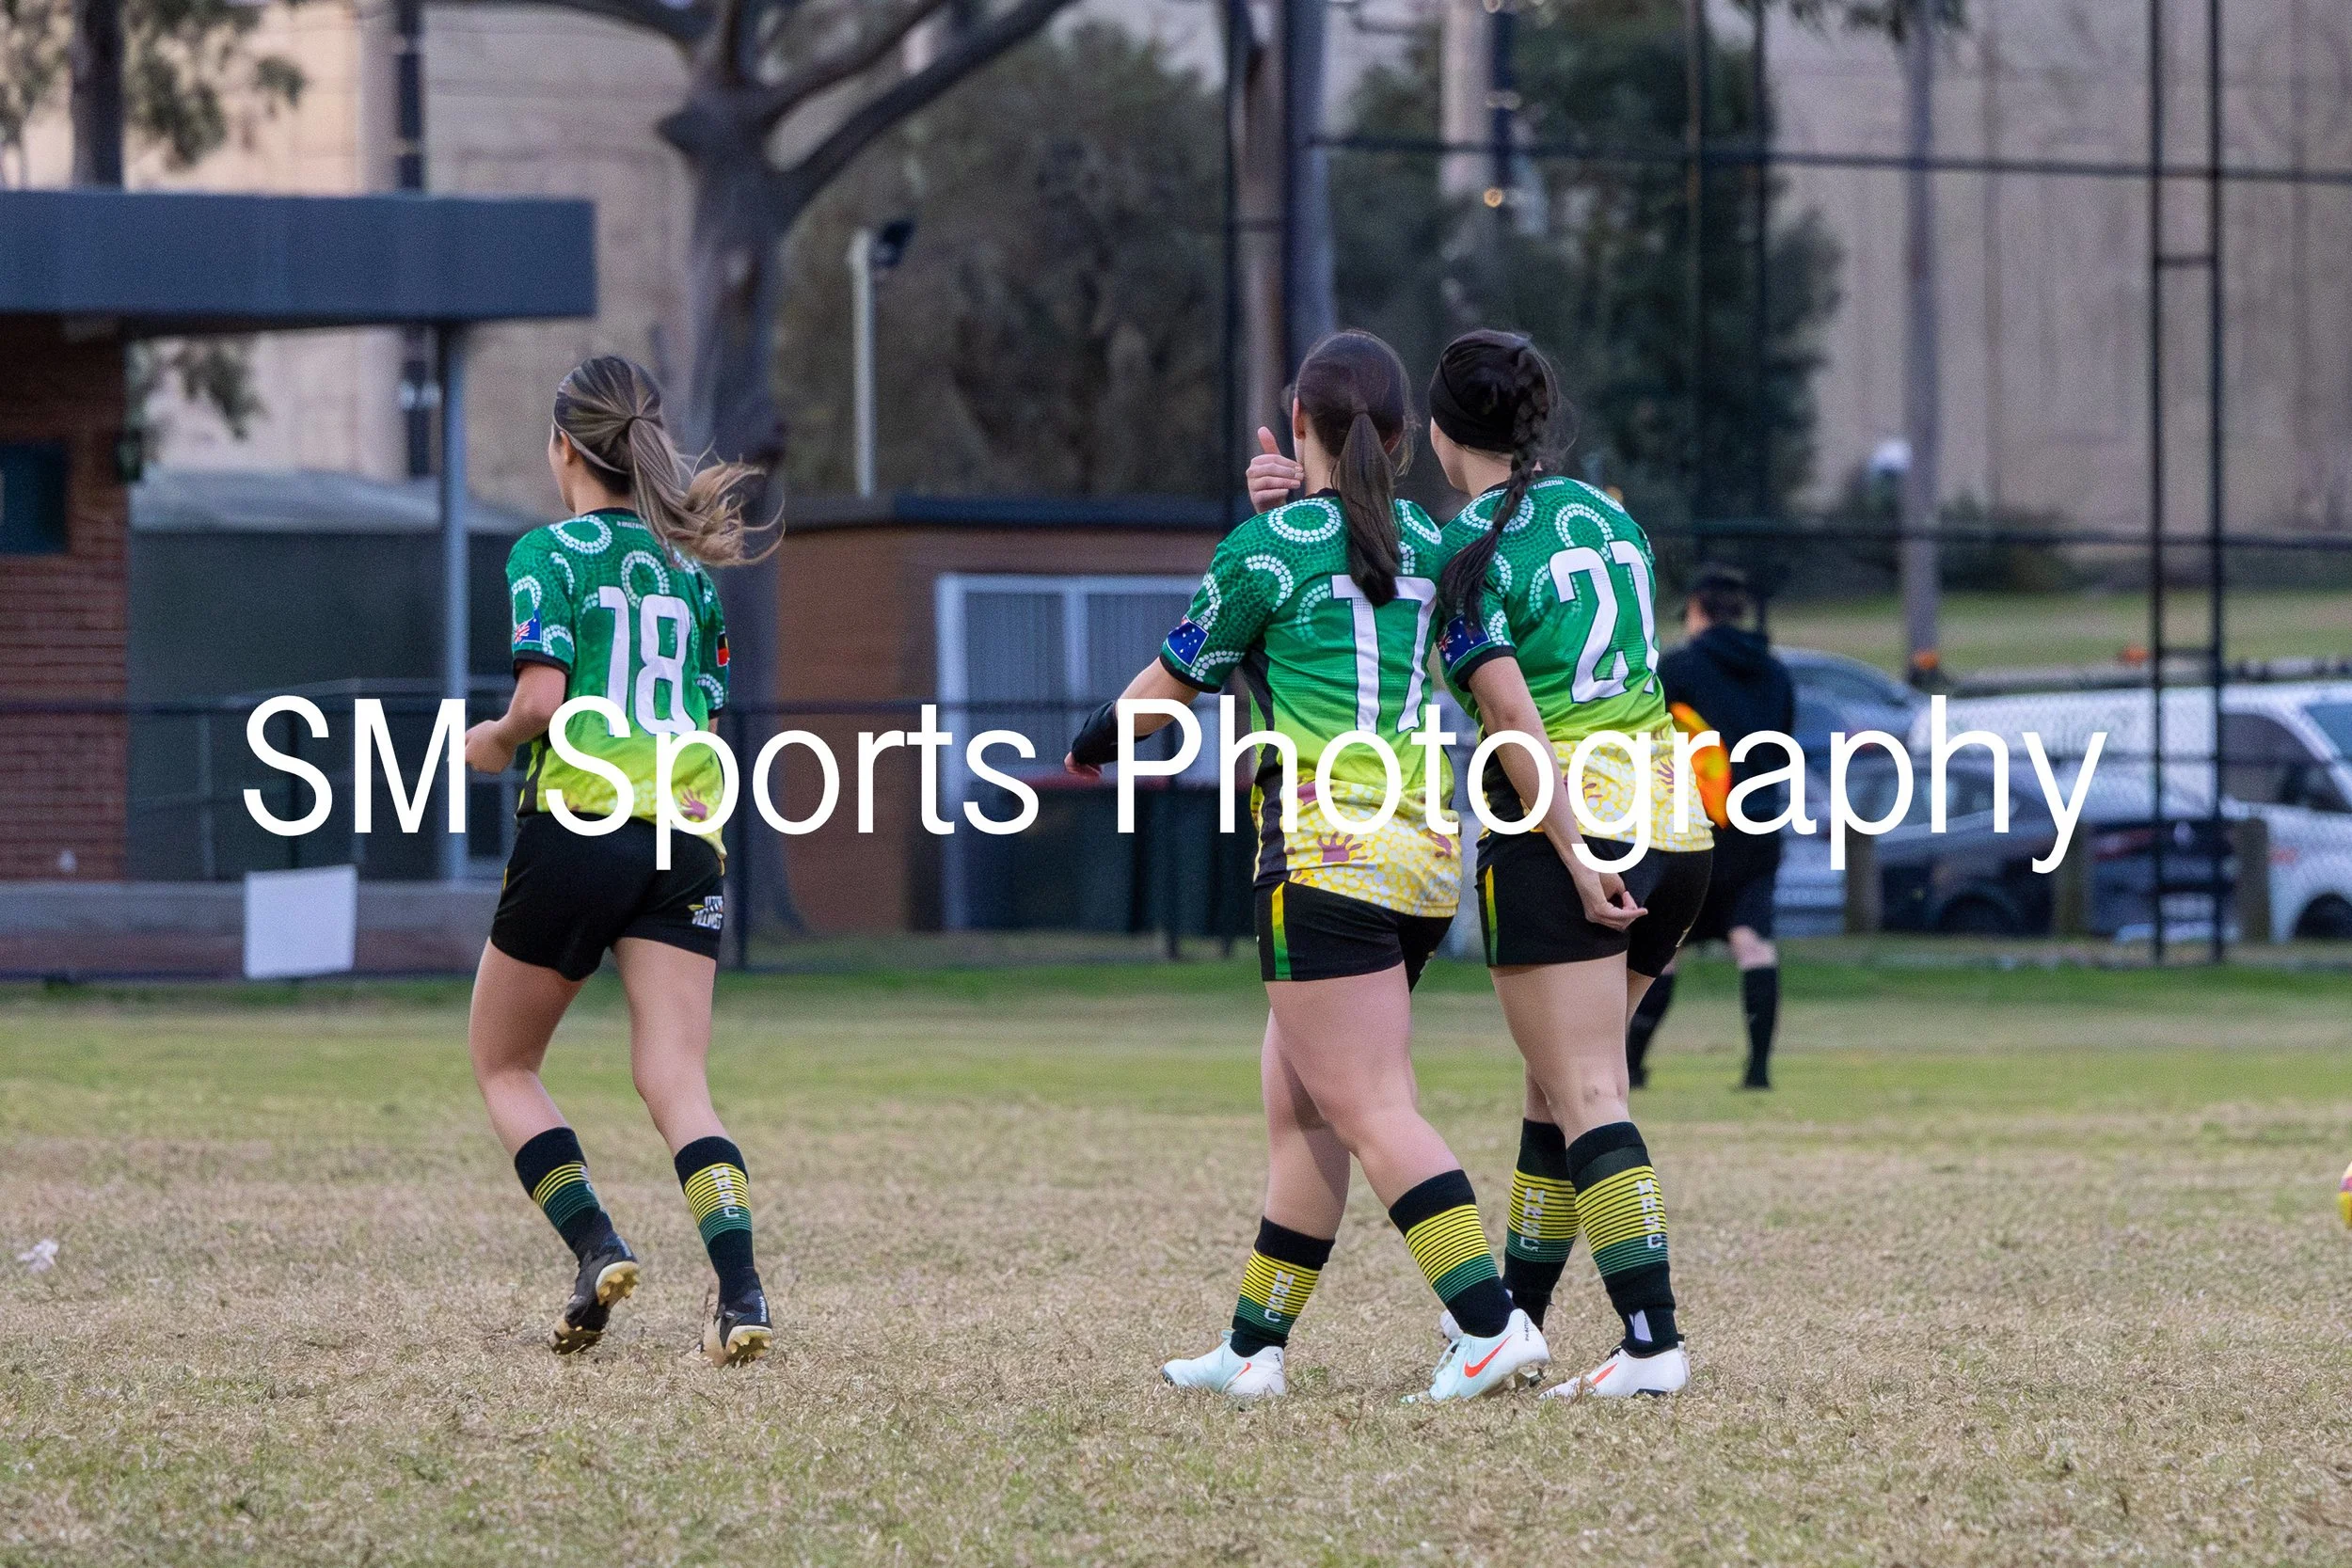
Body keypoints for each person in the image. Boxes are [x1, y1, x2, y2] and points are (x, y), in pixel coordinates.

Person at [1068, 329, 1548, 1403]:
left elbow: (1167, 689)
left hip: (1322, 857)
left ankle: (1489, 1323)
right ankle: (1253, 1346)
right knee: (1301, 1104)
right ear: (1401, 437)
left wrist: (1091, 738)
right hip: (1423, 856)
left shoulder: (1264, 549)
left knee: (1368, 1103)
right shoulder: (1434, 542)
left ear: (1297, 423)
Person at [1259, 330, 1706, 1399]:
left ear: (1441, 432)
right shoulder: (1609, 514)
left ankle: (1652, 1342)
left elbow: (1508, 714)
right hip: (1679, 827)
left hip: (1569, 832)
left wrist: (1573, 851)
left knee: (1587, 1088)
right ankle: (1519, 1321)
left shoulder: (1467, 551)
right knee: (1558, 1090)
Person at [460, 355, 776, 1369]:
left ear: (563, 445)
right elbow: (706, 725)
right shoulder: (691, 575)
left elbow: (542, 701)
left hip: (582, 821)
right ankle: (741, 1292)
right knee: (677, 1078)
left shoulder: (548, 553)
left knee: (504, 1063)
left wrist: (492, 741)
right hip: (685, 835)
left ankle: (597, 1244)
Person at [1626, 563, 1795, 1091]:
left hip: (1693, 824)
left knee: (1664, 945)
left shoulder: (1679, 668)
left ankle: (1631, 1066)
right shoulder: (1775, 672)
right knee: (1753, 942)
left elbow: (1648, 735)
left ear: (1697, 610)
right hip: (1759, 823)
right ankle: (1758, 1070)